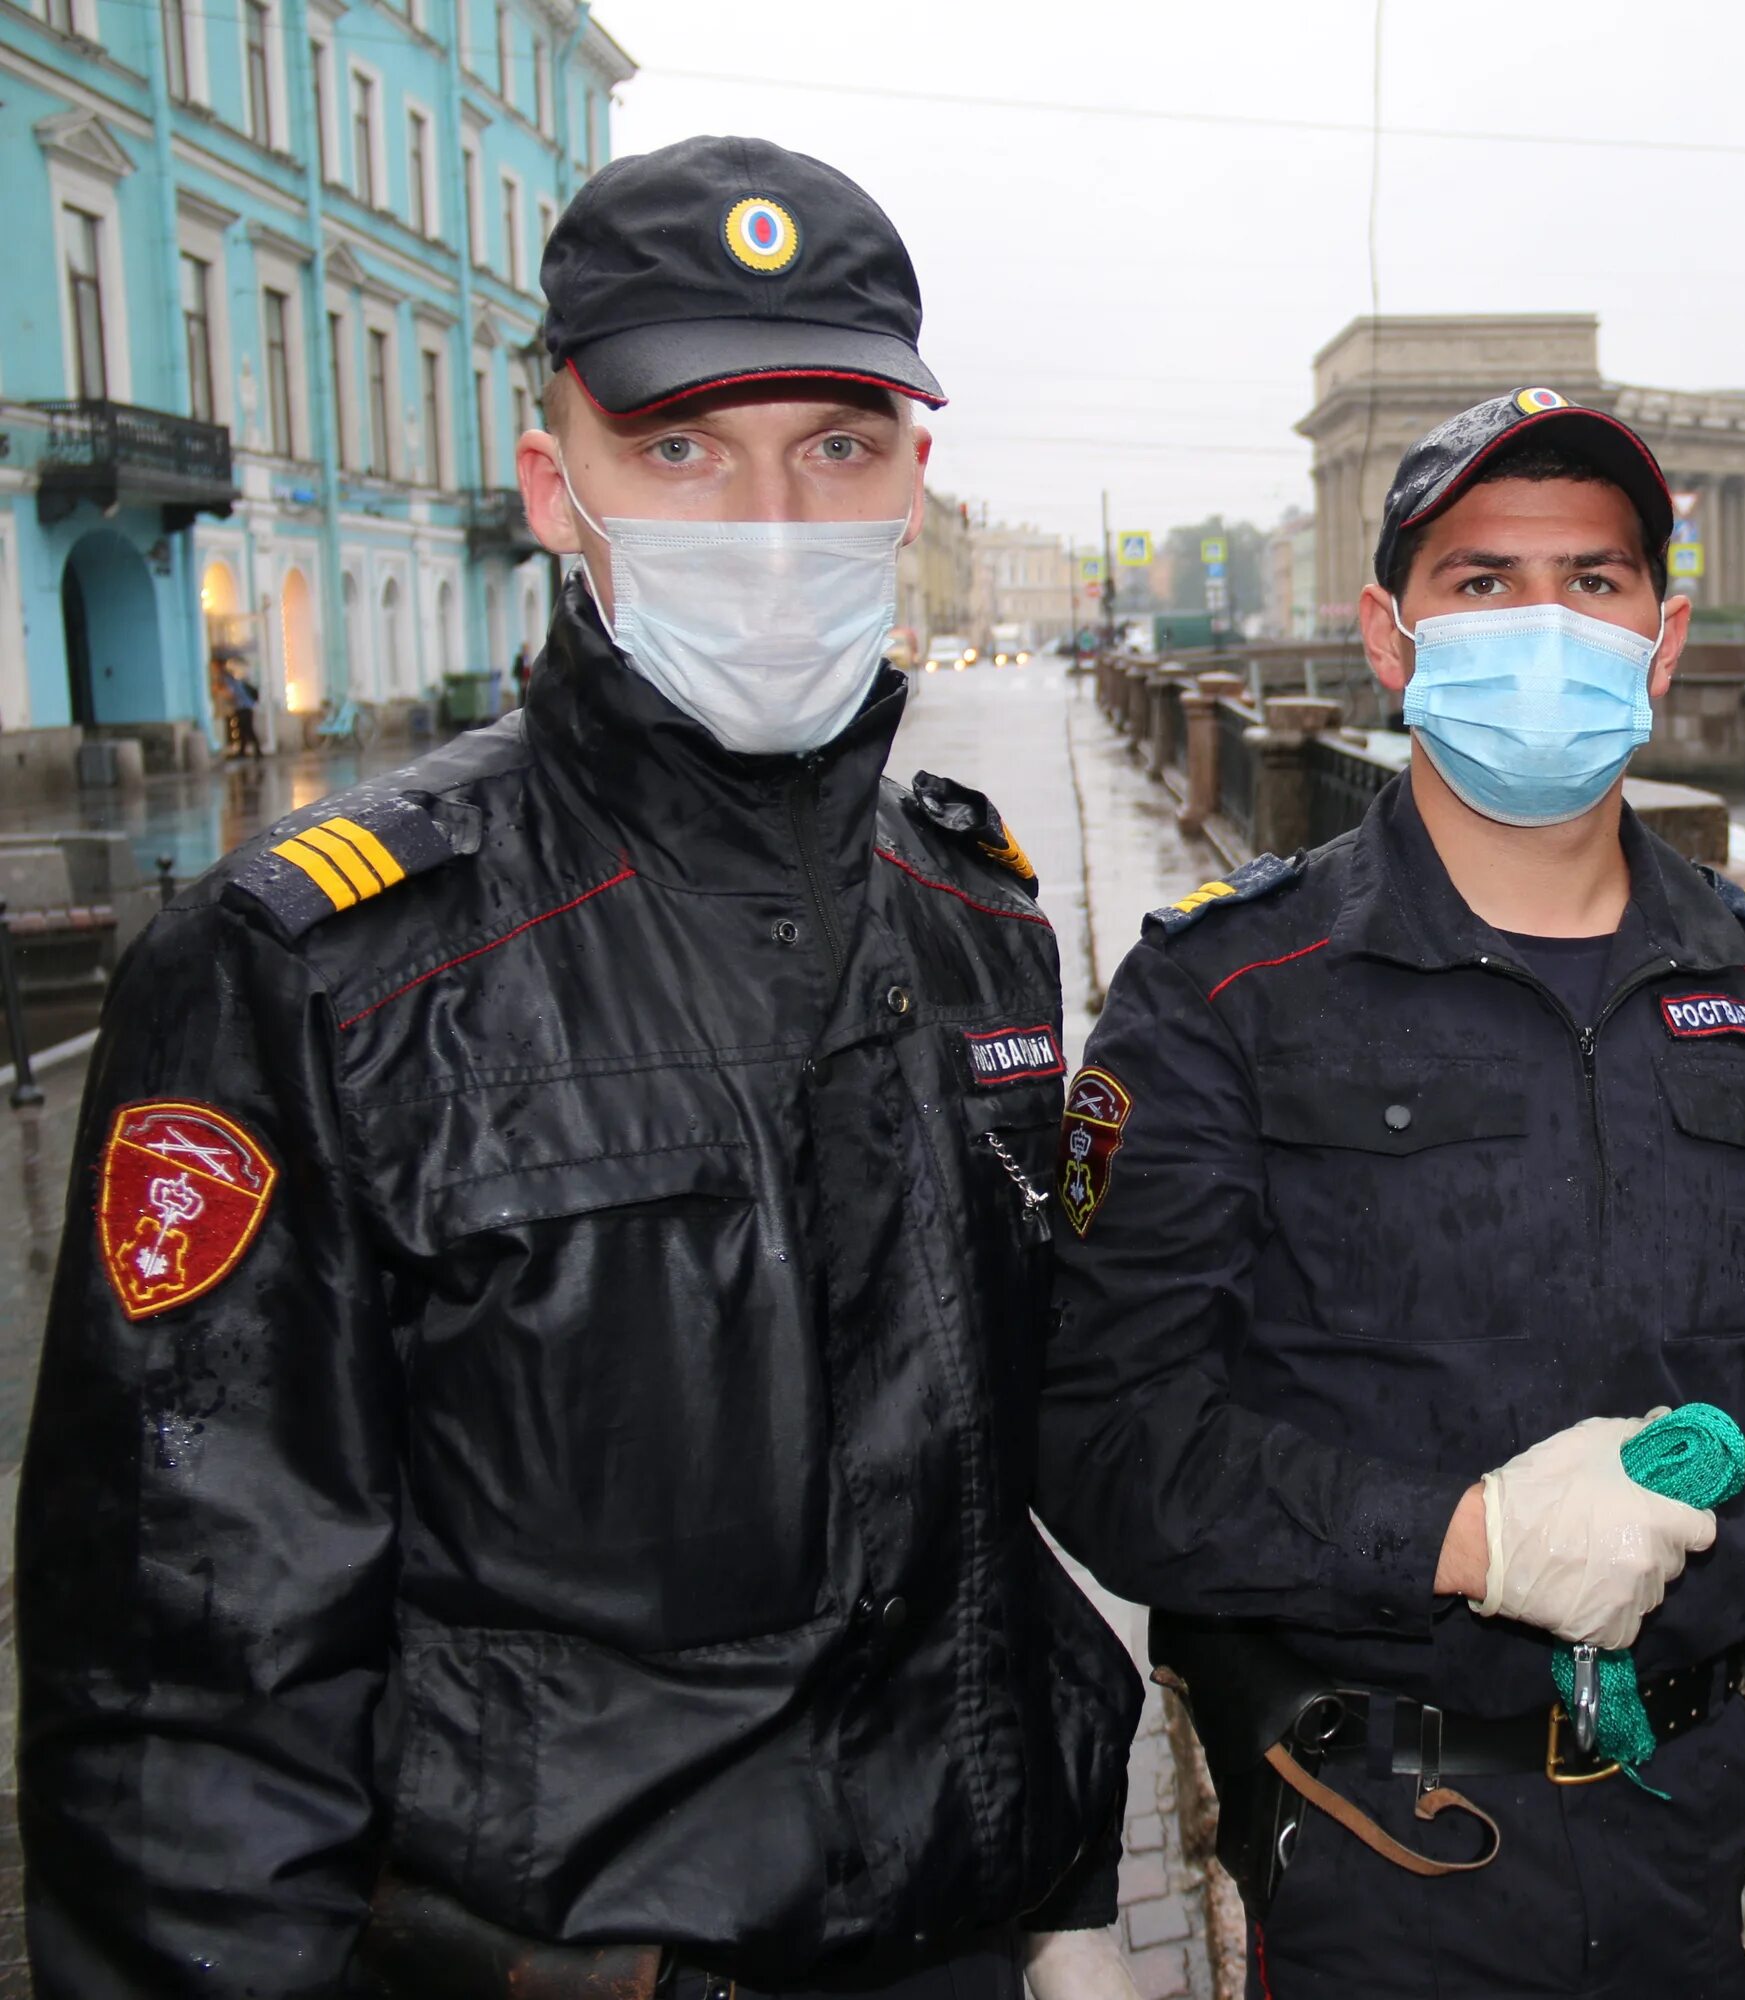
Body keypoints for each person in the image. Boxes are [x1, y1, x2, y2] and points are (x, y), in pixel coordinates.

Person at [18, 136, 1142, 2000]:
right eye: (684, 447)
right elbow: (187, 1698)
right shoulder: (319, 971)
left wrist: (1048, 1875)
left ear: (910, 486)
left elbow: (993, 1474)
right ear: (559, 485)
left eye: (836, 448)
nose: (771, 524)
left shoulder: (977, 923)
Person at [1039, 388, 1745, 1995]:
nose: (1543, 626)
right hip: (1384, 1839)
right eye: (1481, 581)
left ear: (1663, 640)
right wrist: (1468, 1540)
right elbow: (1107, 1447)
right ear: (1390, 636)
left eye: (1592, 582)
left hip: (1703, 1813)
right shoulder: (1226, 997)